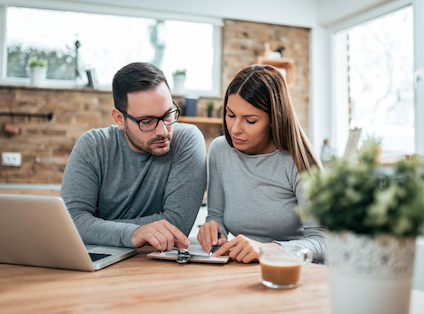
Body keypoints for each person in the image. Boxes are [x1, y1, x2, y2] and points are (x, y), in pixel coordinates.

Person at [61, 62, 207, 251]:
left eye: (168, 115)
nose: (163, 131)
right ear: (120, 119)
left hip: (156, 263)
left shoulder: (187, 140)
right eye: (147, 121)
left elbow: (177, 225)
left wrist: (98, 226)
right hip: (98, 260)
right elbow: (71, 221)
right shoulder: (94, 146)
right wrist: (134, 233)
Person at [197, 64, 325, 263]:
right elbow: (216, 216)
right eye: (230, 115)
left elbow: (323, 241)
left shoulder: (298, 161)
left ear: (274, 119)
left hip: (292, 272)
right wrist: (214, 232)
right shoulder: (220, 151)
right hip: (243, 270)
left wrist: (269, 250)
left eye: (250, 120)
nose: (235, 129)